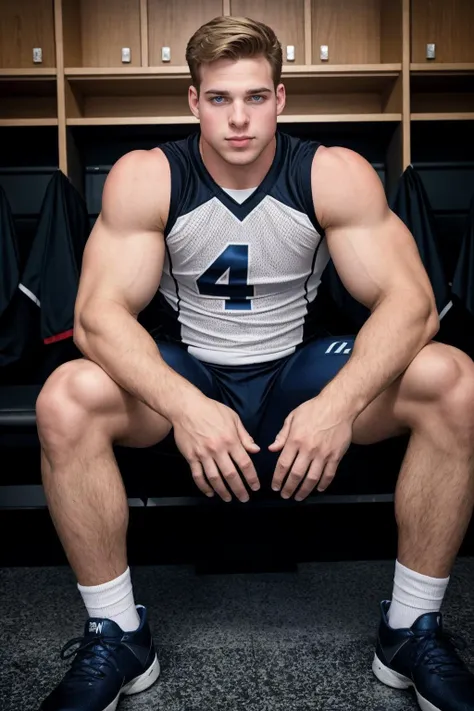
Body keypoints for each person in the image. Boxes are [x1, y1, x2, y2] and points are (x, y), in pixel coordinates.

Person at [35, 14, 474, 711]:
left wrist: (335, 406)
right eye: (219, 98)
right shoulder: (149, 176)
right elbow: (98, 316)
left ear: (281, 98)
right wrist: (187, 406)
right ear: (192, 101)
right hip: (192, 378)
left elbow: (412, 304)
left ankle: (410, 629)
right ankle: (117, 633)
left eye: (255, 97)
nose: (238, 119)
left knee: (454, 378)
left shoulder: (332, 172)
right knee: (65, 395)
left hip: (294, 377)